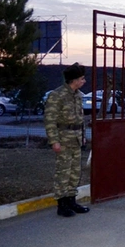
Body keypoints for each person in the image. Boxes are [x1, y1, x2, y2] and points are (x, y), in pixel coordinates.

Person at [44, 63, 90, 217]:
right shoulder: (57, 96)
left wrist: (83, 137)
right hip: (63, 139)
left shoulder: (77, 95)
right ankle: (62, 204)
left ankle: (71, 200)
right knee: (63, 172)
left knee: (74, 172)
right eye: (82, 78)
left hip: (75, 139)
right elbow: (50, 120)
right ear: (74, 80)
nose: (84, 81)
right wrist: (54, 141)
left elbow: (80, 119)